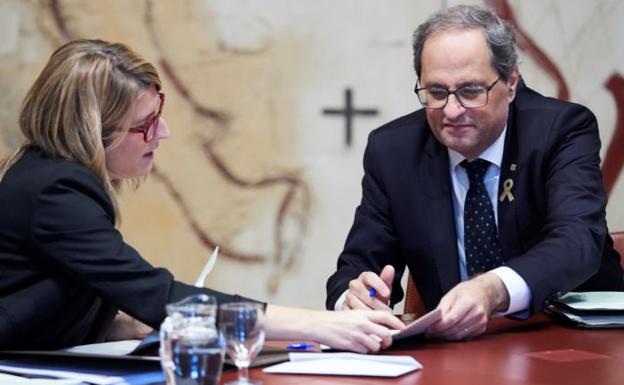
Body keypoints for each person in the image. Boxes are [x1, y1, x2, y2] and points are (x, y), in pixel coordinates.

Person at [0, 39, 404, 351]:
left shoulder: (45, 177)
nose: (164, 133)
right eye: (146, 124)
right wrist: (321, 325)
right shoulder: (56, 191)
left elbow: (90, 301)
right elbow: (154, 294)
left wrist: (173, 327)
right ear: (93, 132)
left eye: (159, 114)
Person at [326, 4, 624, 341]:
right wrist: (353, 301)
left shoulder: (560, 130)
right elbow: (354, 269)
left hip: (580, 343)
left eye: (470, 91)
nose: (452, 111)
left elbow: (577, 241)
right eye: (437, 92)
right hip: (460, 352)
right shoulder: (394, 153)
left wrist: (493, 287)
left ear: (511, 82)